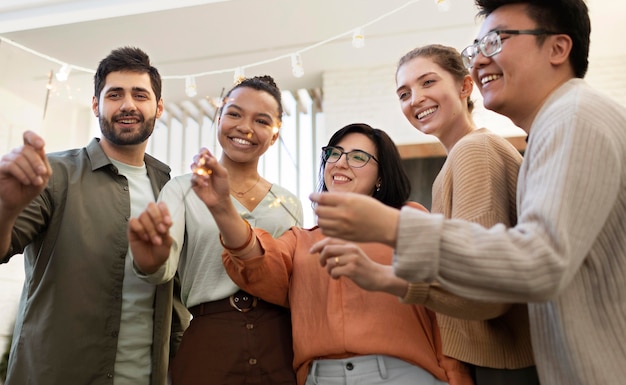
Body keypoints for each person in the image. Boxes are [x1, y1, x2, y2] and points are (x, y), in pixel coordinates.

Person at [310, 0, 626, 385]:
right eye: (476, 48)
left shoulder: (564, 119)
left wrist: (392, 228)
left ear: (558, 47)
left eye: (496, 41)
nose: (479, 60)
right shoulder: (552, 127)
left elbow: (524, 271)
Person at [134, 123, 475, 385]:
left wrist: (456, 374)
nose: (342, 163)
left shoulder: (407, 220)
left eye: (358, 157)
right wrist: (223, 207)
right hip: (320, 377)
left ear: (381, 176)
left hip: (404, 374)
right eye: (335, 153)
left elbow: (446, 311)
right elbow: (257, 262)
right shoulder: (301, 240)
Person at [313, 45, 538, 385]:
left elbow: (483, 285)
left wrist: (383, 278)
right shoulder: (461, 159)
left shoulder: (473, 151)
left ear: (465, 87)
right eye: (404, 93)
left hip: (505, 364)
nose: (415, 99)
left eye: (428, 82)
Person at [0, 46, 189, 385]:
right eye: (114, 94)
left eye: (140, 95)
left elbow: (175, 306)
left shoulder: (171, 192)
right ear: (95, 105)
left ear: (158, 107)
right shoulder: (53, 174)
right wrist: (6, 206)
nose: (128, 104)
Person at [128, 75, 303, 385]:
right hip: (210, 342)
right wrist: (150, 258)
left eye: (262, 120)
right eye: (234, 114)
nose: (245, 127)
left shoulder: (287, 203)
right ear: (219, 118)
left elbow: (298, 285)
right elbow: (162, 270)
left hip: (280, 342)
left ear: (275, 135)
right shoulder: (182, 189)